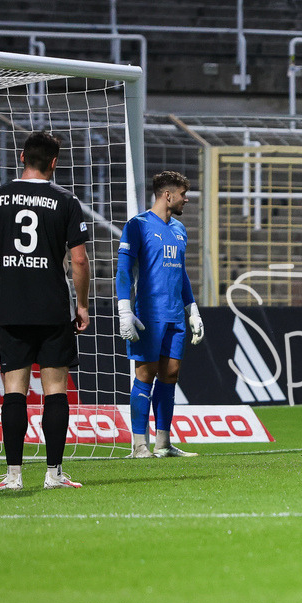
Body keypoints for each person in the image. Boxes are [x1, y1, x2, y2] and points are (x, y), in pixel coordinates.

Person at [0, 130, 90, 491]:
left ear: (22, 157)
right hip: (53, 309)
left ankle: (14, 476)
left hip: (13, 307)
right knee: (55, 391)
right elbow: (80, 260)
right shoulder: (66, 200)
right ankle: (54, 473)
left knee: (14, 392)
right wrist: (81, 305)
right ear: (54, 163)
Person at [116, 171, 205, 458]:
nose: (186, 199)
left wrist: (192, 310)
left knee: (171, 374)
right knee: (145, 374)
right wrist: (124, 309)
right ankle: (139, 445)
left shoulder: (180, 229)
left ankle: (163, 443)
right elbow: (123, 271)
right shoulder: (137, 225)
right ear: (168, 195)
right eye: (182, 194)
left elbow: (182, 274)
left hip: (175, 316)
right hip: (149, 314)